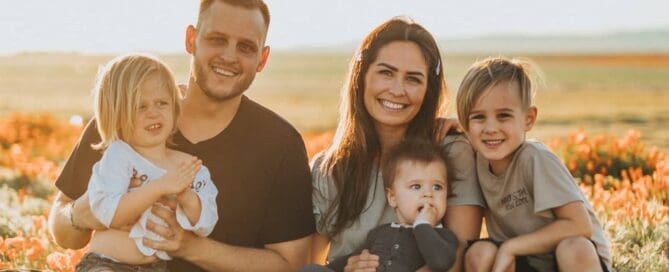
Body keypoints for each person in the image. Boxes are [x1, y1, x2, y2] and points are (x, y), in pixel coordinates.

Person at [47, 0, 315, 271]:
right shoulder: (126, 117)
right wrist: (84, 213)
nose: (229, 56)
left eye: (245, 47)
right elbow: (62, 230)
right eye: (217, 39)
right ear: (191, 39)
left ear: (262, 59)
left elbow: (291, 264)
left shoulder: (280, 144)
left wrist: (189, 246)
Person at [310, 17, 484, 272]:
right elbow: (307, 261)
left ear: (428, 89)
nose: (397, 89)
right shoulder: (329, 168)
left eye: (413, 79)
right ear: (362, 76)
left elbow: (457, 260)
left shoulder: (450, 151)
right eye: (386, 73)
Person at [456, 57, 612, 272]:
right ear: (465, 124)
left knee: (573, 248)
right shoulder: (476, 159)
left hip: (573, 260)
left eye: (503, 116)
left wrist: (511, 247)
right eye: (479, 117)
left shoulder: (535, 158)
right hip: (527, 263)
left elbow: (580, 226)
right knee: (479, 253)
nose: (490, 128)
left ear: (528, 119)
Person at [75, 53, 218, 271]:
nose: (153, 113)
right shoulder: (119, 156)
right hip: (107, 264)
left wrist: (185, 195)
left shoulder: (189, 166)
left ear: (174, 107)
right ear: (116, 114)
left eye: (161, 103)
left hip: (155, 267)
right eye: (140, 107)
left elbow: (206, 224)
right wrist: (160, 187)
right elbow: (109, 213)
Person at [304, 139, 458, 272]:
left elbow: (440, 263)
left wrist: (423, 224)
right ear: (392, 198)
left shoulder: (444, 237)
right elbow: (350, 259)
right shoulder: (380, 233)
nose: (428, 194)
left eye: (437, 187)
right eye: (416, 186)